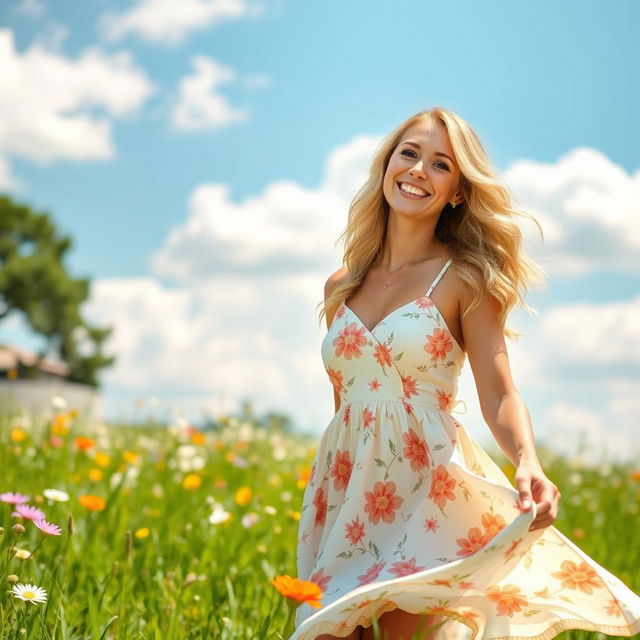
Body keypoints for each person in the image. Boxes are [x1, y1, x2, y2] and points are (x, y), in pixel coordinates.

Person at [290, 107, 640, 640]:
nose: (417, 171)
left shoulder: (465, 280)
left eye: (440, 164)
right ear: (387, 165)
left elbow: (500, 391)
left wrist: (528, 461)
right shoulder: (340, 284)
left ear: (456, 191)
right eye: (408, 154)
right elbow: (346, 403)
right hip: (345, 487)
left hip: (424, 489)